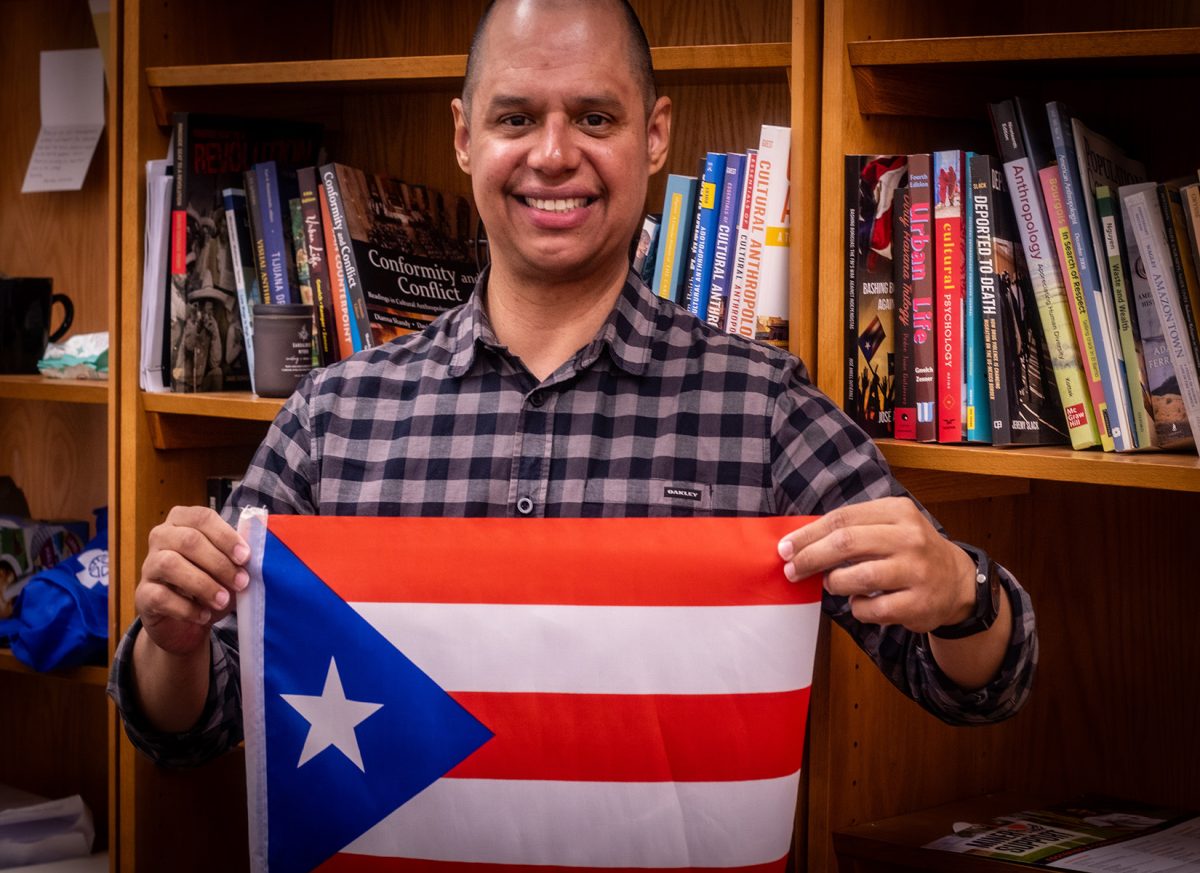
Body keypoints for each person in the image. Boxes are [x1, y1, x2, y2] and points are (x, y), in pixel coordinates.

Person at [110, 0, 1036, 767]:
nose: (554, 154)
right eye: (516, 118)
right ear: (466, 138)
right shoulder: (334, 416)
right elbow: (191, 724)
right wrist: (173, 636)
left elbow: (976, 684)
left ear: (655, 134)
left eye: (595, 117)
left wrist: (964, 592)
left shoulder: (763, 410)